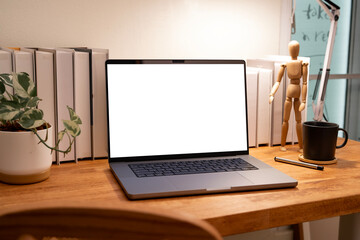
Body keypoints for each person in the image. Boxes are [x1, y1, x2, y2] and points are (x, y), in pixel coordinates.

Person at [269, 40, 308, 152]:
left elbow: (305, 83)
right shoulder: (285, 64)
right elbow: (278, 81)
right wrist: (271, 93)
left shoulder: (302, 64)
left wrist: (304, 101)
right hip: (289, 94)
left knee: (298, 121)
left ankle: (301, 146)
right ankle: (282, 144)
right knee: (285, 120)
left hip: (297, 96)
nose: (294, 51)